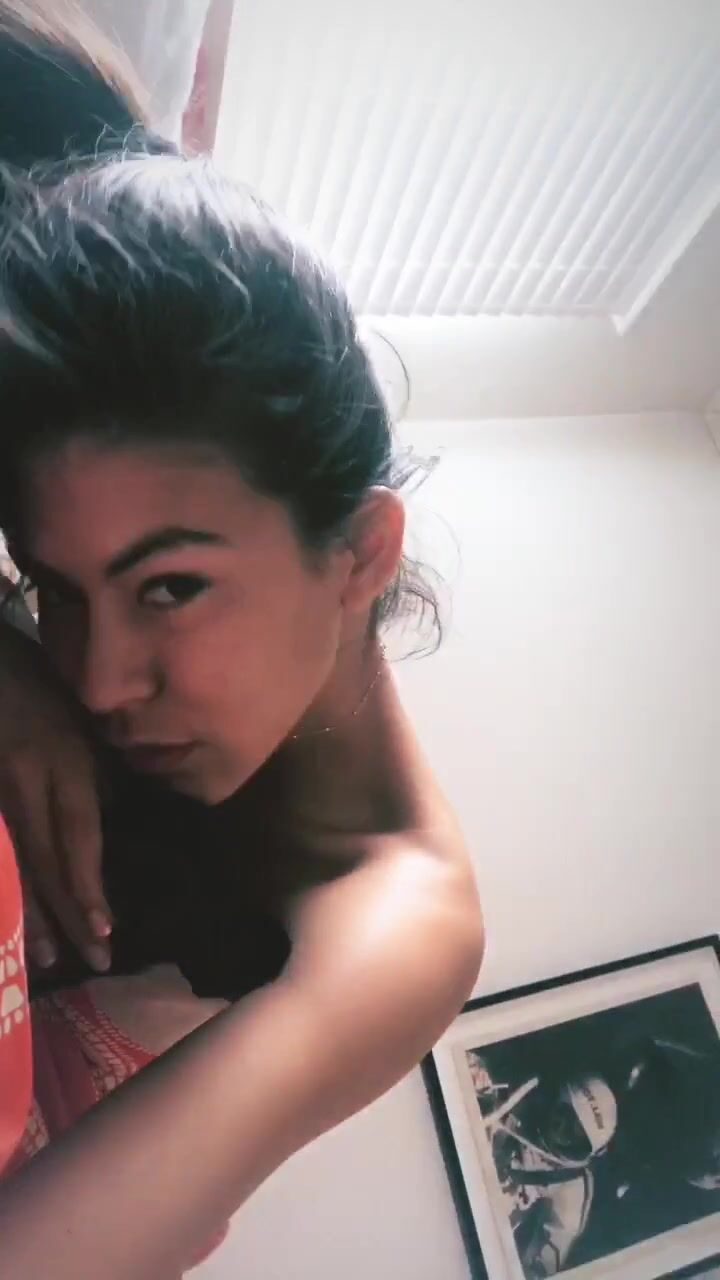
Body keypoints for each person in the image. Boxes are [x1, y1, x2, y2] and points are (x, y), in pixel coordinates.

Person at [0, 10, 483, 1275]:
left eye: (168, 588)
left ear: (361, 553)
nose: (97, 677)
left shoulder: (400, 916)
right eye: (55, 588)